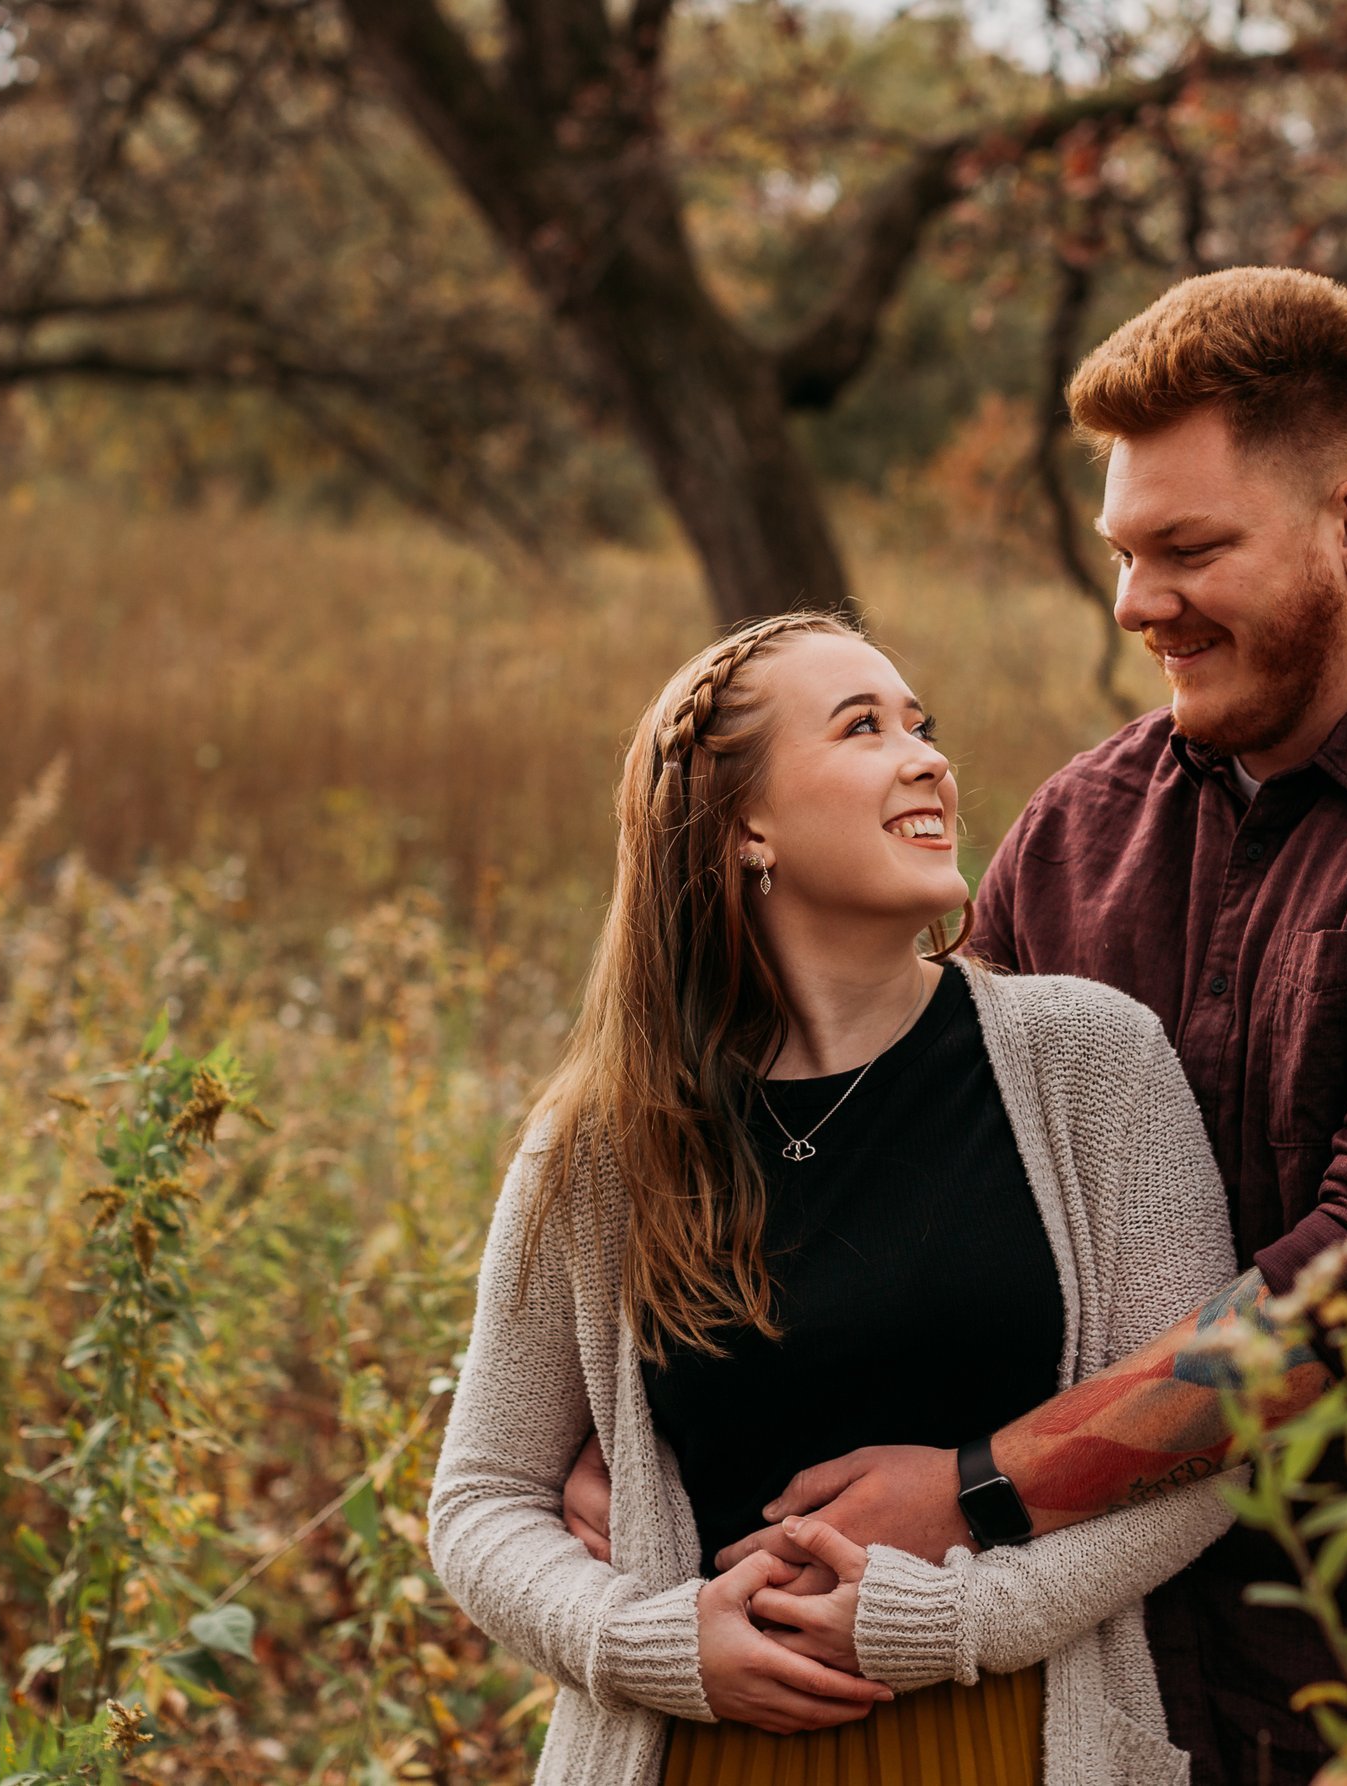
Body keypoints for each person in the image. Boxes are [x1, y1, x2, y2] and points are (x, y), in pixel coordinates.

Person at [564, 267, 1347, 1785]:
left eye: (1190, 549)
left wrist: (977, 1489)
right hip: (1128, 1672)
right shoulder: (1084, 825)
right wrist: (659, 1419)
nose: (1135, 601)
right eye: (1122, 551)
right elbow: (901, 1161)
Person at [427, 610, 1249, 1785]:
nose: (928, 759)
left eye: (923, 725)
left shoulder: (1088, 1061)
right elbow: (484, 1497)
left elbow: (1207, 1445)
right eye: (864, 727)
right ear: (744, 826)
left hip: (1007, 1740)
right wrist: (655, 1644)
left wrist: (956, 1620)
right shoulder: (606, 1140)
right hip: (694, 1756)